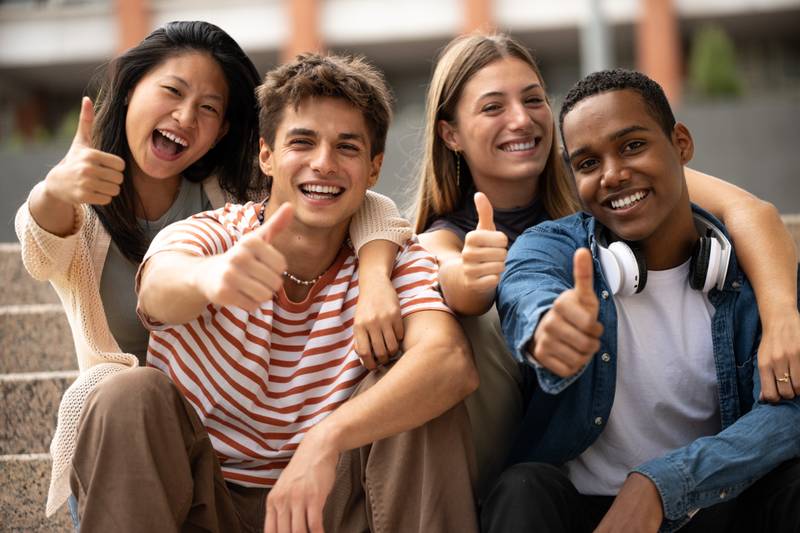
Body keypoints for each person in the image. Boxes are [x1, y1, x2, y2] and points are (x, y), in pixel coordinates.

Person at [14, 21, 412, 520]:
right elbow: (38, 249)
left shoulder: (231, 191)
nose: (185, 117)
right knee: (125, 396)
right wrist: (55, 189)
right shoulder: (82, 201)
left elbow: (356, 202)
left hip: (220, 430)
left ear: (224, 129)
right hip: (130, 425)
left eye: (209, 108)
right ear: (131, 89)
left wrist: (376, 276)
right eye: (172, 92)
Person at [70, 52, 480, 533]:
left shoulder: (392, 260)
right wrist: (213, 278)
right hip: (204, 498)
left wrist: (326, 440)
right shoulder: (212, 234)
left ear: (373, 169)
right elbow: (159, 288)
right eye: (302, 142)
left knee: (419, 395)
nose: (323, 164)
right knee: (125, 392)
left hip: (329, 502)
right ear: (266, 155)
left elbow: (449, 360)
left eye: (347, 148)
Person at [411, 33, 800, 496]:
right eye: (493, 107)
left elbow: (750, 212)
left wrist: (782, 319)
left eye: (533, 99)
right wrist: (517, 307)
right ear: (450, 133)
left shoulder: (606, 177)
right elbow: (459, 284)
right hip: (527, 452)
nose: (521, 119)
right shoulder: (444, 235)